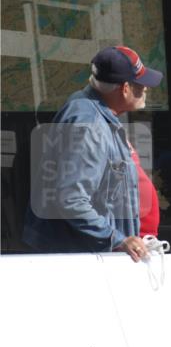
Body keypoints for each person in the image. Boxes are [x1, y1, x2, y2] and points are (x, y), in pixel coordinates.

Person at [22, 45, 162, 262]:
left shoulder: (93, 112)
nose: (146, 90)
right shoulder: (89, 124)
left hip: (85, 257)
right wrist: (117, 239)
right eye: (141, 85)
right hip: (80, 264)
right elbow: (71, 200)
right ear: (124, 88)